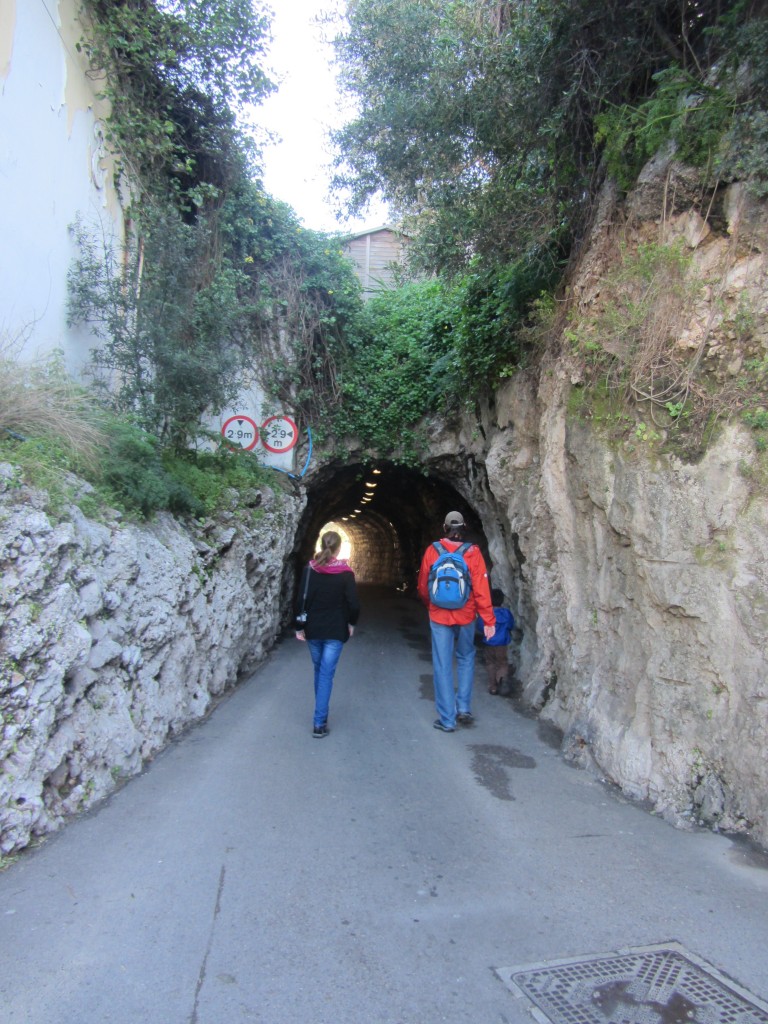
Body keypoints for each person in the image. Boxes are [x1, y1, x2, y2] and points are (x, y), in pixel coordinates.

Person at [417, 511, 495, 732]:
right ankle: (463, 708)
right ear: (464, 527)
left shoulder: (433, 551)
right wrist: (488, 619)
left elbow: (423, 584)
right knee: (466, 657)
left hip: (439, 615)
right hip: (466, 615)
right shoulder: (473, 553)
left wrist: (429, 604)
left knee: (442, 664)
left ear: (444, 527)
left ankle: (447, 719)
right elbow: (481, 589)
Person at [295, 531, 360, 737]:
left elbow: (300, 600)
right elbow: (354, 604)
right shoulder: (346, 573)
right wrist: (351, 623)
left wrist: (298, 626)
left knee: (319, 671)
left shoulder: (309, 569)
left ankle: (319, 714)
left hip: (313, 629)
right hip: (335, 630)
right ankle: (319, 722)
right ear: (339, 548)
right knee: (325, 674)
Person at [477, 588, 515, 695]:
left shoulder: (487, 613)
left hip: (489, 643)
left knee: (490, 663)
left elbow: (480, 626)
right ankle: (502, 682)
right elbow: (511, 625)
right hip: (502, 643)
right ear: (502, 600)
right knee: (502, 663)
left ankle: (493, 686)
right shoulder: (507, 613)